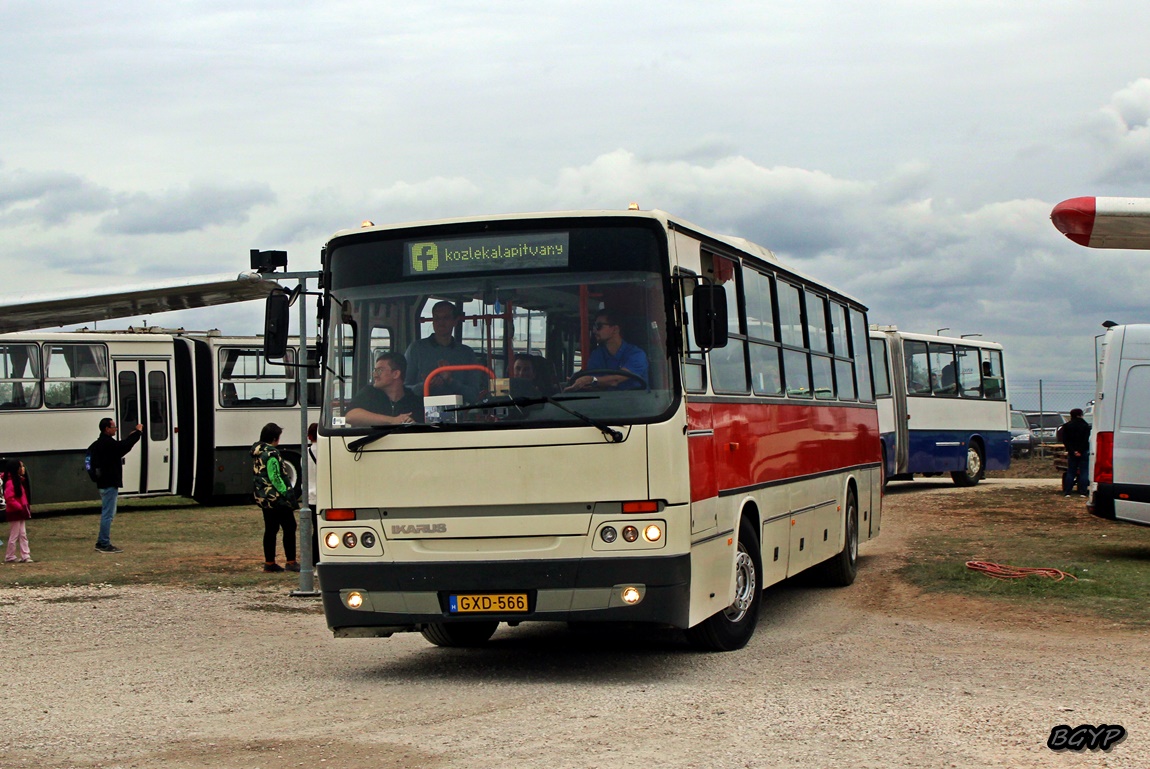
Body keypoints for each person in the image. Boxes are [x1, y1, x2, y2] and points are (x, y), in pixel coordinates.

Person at [404, 301, 480, 401]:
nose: (441, 322)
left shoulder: (466, 353)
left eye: (446, 318)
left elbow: (474, 395)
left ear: (455, 321)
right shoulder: (416, 349)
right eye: (437, 318)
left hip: (459, 412)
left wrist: (450, 381)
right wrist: (425, 385)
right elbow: (403, 389)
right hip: (421, 411)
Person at [89, 418, 144, 554]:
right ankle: (103, 543)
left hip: (102, 482)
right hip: (109, 483)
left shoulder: (97, 444)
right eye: (114, 427)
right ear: (107, 429)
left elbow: (122, 445)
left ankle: (101, 541)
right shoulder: (107, 444)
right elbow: (124, 447)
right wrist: (137, 433)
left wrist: (133, 435)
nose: (116, 429)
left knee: (108, 513)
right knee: (108, 514)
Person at [251, 422, 299, 573]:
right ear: (274, 438)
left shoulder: (257, 452)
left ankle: (269, 562)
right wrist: (286, 493)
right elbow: (275, 477)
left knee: (271, 529)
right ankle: (291, 561)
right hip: (276, 498)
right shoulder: (272, 454)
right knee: (290, 526)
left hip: (264, 497)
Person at [565, 310, 649, 391]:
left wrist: (591, 380)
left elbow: (615, 380)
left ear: (615, 329)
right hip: (606, 402)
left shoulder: (637, 355)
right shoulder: (597, 355)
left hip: (635, 402)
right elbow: (595, 382)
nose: (594, 330)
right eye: (593, 326)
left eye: (599, 326)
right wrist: (579, 383)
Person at [345, 352, 423, 426]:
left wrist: (413, 425)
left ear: (396, 374)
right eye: (374, 370)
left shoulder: (414, 401)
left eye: (379, 370)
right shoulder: (369, 393)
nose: (375, 375)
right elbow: (350, 416)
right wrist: (393, 420)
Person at [1057, 408, 1092, 497]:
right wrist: (1080, 450)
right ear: (1079, 415)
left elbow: (1066, 440)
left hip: (1072, 452)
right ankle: (1083, 492)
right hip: (1083, 451)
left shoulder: (1067, 426)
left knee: (1071, 472)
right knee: (1084, 472)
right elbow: (1086, 440)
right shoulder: (1085, 426)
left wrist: (1073, 451)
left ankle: (1067, 492)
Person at [3, 459, 33, 563]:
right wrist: (20, 507)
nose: (23, 468)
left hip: (19, 512)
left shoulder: (18, 481)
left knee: (22, 534)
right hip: (15, 512)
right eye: (21, 466)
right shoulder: (11, 483)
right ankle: (10, 556)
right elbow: (9, 498)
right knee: (15, 534)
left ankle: (25, 555)